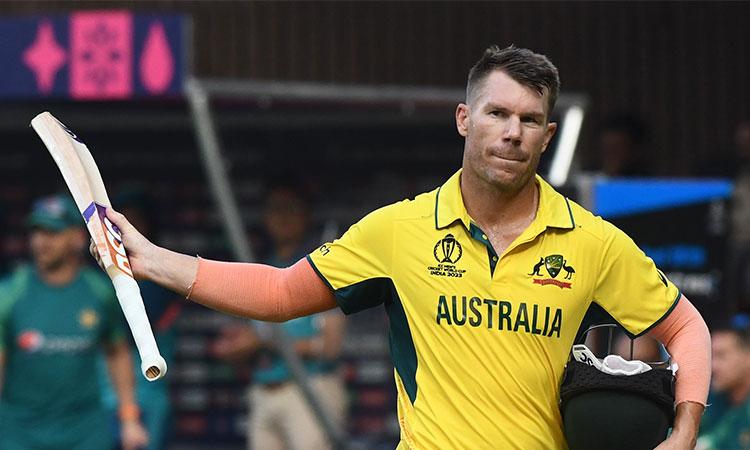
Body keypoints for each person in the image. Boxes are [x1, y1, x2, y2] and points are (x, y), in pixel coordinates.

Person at [93, 46, 711, 449]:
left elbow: (686, 328)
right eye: (497, 114)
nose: (512, 133)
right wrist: (152, 260)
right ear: (464, 119)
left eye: (529, 121)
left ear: (547, 135)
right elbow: (280, 292)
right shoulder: (398, 230)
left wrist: (684, 429)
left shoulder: (593, 241)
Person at [0, 194, 148, 450]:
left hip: (85, 431)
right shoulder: (10, 293)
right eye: (36, 232)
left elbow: (117, 353)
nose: (41, 241)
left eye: (52, 232)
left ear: (78, 238)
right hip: (21, 431)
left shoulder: (100, 292)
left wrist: (129, 418)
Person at [212, 183, 346, 450]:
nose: (283, 217)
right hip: (264, 391)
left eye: (291, 209)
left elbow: (330, 346)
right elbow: (236, 341)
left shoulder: (322, 265)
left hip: (310, 390)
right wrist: (237, 347)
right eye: (275, 209)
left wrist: (265, 342)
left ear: (306, 214)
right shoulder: (257, 265)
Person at [100, 187, 181, 450]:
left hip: (148, 397)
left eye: (136, 220)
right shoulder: (100, 280)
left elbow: (127, 325)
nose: (126, 231)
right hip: (103, 399)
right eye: (120, 223)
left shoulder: (163, 277)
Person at [696, 315, 750, 450]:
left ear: (747, 357)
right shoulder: (710, 399)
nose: (713, 366)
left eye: (721, 356)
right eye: (711, 356)